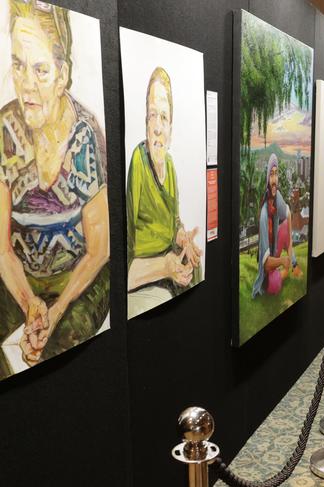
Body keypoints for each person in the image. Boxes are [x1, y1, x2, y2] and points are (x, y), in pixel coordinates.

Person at [0, 0, 109, 378]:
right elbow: (1, 248)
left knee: (66, 350)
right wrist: (30, 303)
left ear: (62, 75)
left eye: (41, 70)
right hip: (20, 280)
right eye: (17, 64)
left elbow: (98, 252)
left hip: (78, 280)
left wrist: (56, 309)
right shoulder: (5, 130)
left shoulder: (86, 135)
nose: (26, 84)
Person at [126, 67, 202, 319]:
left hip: (166, 269)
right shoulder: (138, 161)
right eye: (152, 116)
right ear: (145, 123)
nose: (158, 127)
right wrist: (164, 267)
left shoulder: (169, 165)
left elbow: (173, 222)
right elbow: (124, 263)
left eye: (164, 118)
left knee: (196, 271)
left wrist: (183, 239)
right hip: (144, 277)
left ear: (172, 128)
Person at [252, 153, 302, 298]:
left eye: (276, 174)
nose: (274, 179)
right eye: (271, 175)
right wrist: (282, 261)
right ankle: (284, 272)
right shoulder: (263, 215)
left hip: (276, 251)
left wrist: (292, 257)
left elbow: (288, 214)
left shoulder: (277, 196)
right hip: (269, 265)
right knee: (273, 285)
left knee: (285, 225)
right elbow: (266, 264)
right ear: (267, 178)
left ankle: (294, 266)